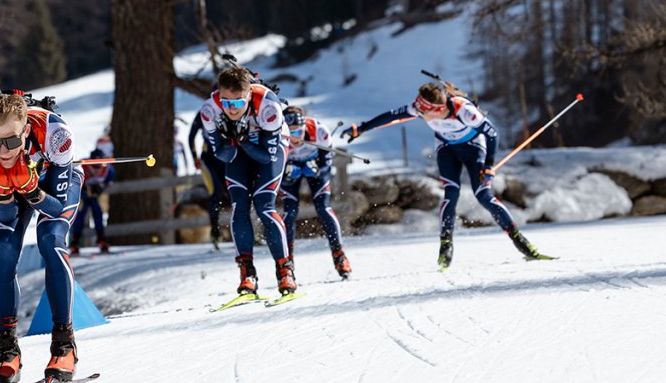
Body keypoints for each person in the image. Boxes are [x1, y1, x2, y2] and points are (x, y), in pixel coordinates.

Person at [341, 82, 546, 268]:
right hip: (447, 149)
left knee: (483, 195)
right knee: (451, 194)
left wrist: (489, 165)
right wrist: (361, 128)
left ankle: (520, 241)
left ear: (438, 110)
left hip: (474, 148)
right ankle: (446, 245)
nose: (419, 114)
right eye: (418, 109)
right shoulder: (422, 107)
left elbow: (492, 133)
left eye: (423, 112)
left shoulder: (464, 111)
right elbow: (392, 116)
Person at [0, 92, 84, 383]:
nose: (2, 150)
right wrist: (2, 193)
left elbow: (56, 204)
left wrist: (31, 190)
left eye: (12, 141)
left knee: (50, 240)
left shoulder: (56, 136)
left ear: (25, 130)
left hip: (49, 185)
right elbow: (3, 215)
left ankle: (64, 345)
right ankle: (7, 352)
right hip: (12, 190)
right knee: (4, 250)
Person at [200, 66, 295, 297]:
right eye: (227, 102)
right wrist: (234, 141)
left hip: (267, 149)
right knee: (239, 206)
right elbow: (221, 154)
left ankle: (284, 270)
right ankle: (247, 272)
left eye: (238, 103)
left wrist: (242, 140)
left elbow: (268, 156)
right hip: (238, 151)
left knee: (264, 206)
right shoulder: (210, 110)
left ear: (249, 94)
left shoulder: (268, 107)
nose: (232, 109)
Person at [281, 106, 352, 279]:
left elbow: (327, 162)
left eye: (298, 133)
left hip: (314, 168)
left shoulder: (319, 131)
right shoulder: (276, 133)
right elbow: (271, 164)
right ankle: (287, 263)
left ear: (305, 127)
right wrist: (286, 172)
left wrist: (317, 169)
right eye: (289, 134)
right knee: (289, 212)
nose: (294, 139)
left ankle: (339, 256)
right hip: (289, 171)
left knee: (323, 208)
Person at [188, 110, 228, 249]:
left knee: (238, 193)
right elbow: (191, 136)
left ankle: (248, 233)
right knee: (215, 193)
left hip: (226, 158)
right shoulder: (204, 111)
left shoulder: (229, 107)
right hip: (208, 160)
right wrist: (194, 157)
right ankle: (215, 233)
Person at [70, 148, 115, 254]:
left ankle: (101, 239)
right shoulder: (82, 165)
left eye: (100, 167)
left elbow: (109, 181)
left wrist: (101, 187)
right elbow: (72, 179)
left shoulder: (108, 170)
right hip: (82, 196)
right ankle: (75, 242)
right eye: (94, 167)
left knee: (98, 213)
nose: (96, 170)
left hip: (94, 196)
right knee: (80, 215)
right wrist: (84, 188)